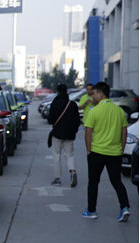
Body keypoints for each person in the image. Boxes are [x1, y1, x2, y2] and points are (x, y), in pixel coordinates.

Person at [82, 82, 130, 221]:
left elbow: (88, 133)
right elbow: (124, 133)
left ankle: (91, 211)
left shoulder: (94, 111)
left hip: (96, 152)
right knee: (117, 182)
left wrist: (89, 151)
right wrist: (120, 148)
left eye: (95, 93)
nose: (93, 96)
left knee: (93, 182)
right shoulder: (119, 111)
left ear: (101, 94)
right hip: (115, 153)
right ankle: (124, 207)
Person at [48, 84, 81, 186]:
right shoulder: (72, 104)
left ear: (57, 92)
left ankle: (58, 179)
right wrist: (73, 131)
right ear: (67, 92)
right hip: (69, 135)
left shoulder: (55, 103)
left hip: (57, 133)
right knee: (69, 155)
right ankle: (72, 171)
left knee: (57, 155)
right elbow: (77, 121)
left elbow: (50, 120)